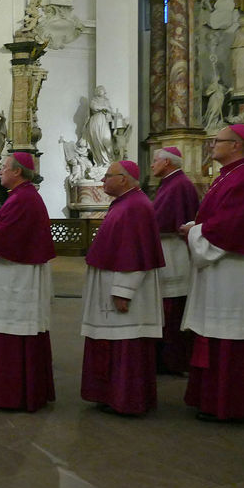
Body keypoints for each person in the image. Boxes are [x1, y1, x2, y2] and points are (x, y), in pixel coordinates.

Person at [179, 124, 244, 421]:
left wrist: (194, 231)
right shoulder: (230, 176)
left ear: (235, 145)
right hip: (222, 267)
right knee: (215, 332)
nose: (211, 146)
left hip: (234, 270)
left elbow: (232, 226)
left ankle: (230, 405)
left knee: (230, 336)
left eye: (217, 141)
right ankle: (212, 399)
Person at [81, 160, 165, 416]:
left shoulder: (135, 207)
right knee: (114, 343)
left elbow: (134, 254)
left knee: (126, 346)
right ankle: (110, 395)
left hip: (124, 292)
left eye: (108, 176)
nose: (103, 180)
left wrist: (122, 292)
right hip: (114, 285)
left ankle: (126, 399)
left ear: (125, 179)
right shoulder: (126, 204)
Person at [0, 152, 56, 412]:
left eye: (5, 168)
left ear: (18, 171)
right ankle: (20, 392)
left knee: (12, 336)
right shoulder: (23, 197)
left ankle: (12, 395)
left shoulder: (23, 198)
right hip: (17, 277)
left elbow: (5, 239)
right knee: (15, 336)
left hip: (15, 282)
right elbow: (9, 230)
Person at [150, 147, 199, 375]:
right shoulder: (171, 183)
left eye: (155, 161)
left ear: (167, 163)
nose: (152, 165)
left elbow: (163, 219)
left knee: (173, 310)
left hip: (174, 253)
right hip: (167, 249)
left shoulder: (178, 185)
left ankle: (175, 361)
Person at [84, 86, 115, 167]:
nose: (104, 91)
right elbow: (93, 107)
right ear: (98, 91)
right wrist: (104, 108)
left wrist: (107, 109)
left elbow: (111, 111)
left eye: (104, 90)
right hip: (95, 121)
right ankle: (100, 162)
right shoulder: (94, 100)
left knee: (107, 140)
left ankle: (109, 160)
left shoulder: (106, 100)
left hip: (104, 121)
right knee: (97, 141)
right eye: (102, 90)